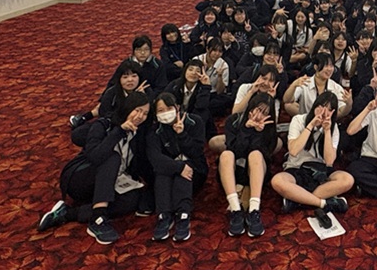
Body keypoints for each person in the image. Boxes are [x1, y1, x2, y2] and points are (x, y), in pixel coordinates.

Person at [38, 92, 152, 245]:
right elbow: (95, 156)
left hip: (110, 181)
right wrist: (119, 131)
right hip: (81, 178)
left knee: (132, 200)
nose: (140, 116)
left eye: (145, 113)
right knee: (112, 157)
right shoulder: (104, 125)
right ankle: (98, 219)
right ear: (127, 108)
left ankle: (68, 214)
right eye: (137, 110)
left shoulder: (138, 133)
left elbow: (141, 164)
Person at [271, 91, 353, 221]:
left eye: (330, 110)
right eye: (322, 107)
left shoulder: (333, 128)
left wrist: (327, 131)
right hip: (296, 168)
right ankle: (323, 203)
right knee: (277, 181)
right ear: (315, 105)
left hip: (320, 173)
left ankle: (298, 199)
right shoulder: (299, 120)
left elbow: (329, 161)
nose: (324, 112)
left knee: (347, 180)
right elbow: (293, 151)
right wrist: (310, 125)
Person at [146, 92, 207, 242]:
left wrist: (182, 134)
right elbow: (155, 158)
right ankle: (164, 215)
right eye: (161, 110)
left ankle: (183, 215)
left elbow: (197, 153)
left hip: (195, 170)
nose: (166, 113)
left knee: (185, 168)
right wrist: (178, 167)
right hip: (169, 171)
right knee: (163, 170)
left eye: (169, 108)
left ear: (177, 107)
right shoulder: (155, 131)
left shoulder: (195, 121)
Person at [219, 91, 279, 238]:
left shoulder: (270, 128)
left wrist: (258, 133)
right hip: (234, 170)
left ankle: (254, 210)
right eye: (258, 109)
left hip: (256, 172)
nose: (259, 115)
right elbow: (235, 150)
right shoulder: (233, 120)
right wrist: (246, 129)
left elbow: (265, 155)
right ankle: (236, 209)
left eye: (265, 112)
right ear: (251, 107)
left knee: (255, 154)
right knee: (226, 155)